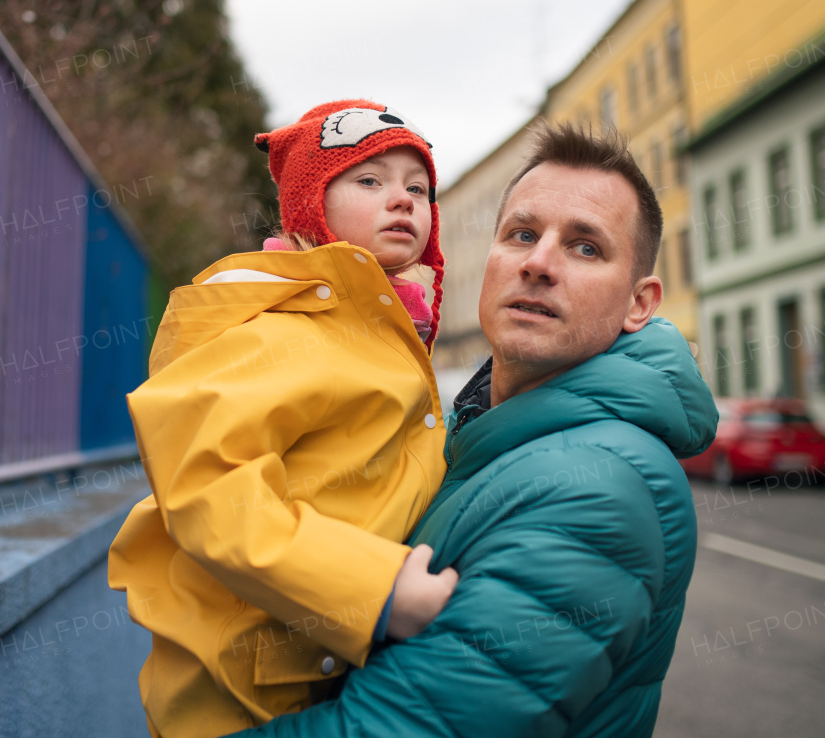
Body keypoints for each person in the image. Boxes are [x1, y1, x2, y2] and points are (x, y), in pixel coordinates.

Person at [240, 124, 717, 738]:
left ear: (639, 304)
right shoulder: (479, 433)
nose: (538, 263)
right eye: (522, 234)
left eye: (586, 248)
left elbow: (398, 728)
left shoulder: (601, 487)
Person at [109, 100, 460, 738]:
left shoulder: (383, 335)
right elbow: (209, 486)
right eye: (369, 180)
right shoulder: (277, 328)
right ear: (310, 206)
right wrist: (373, 589)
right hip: (243, 687)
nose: (404, 200)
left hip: (322, 663)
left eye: (418, 187)